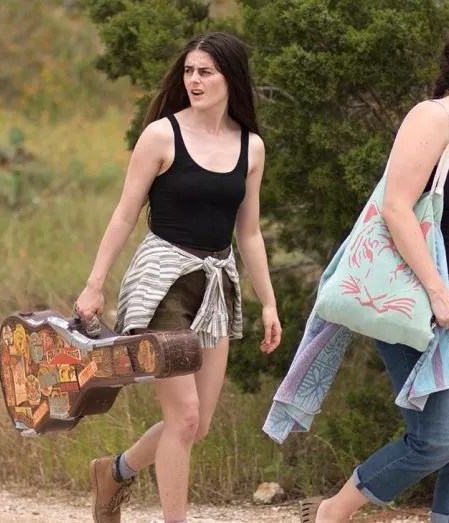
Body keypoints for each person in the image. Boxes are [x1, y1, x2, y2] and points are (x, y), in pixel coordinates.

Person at [299, 20, 449, 523]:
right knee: (437, 440)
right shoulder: (431, 118)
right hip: (422, 298)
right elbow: (396, 208)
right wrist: (438, 292)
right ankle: (333, 512)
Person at [73, 32, 283, 523]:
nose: (194, 80)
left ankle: (114, 472)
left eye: (205, 72)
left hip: (216, 285)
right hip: (161, 282)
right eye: (189, 71)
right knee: (183, 416)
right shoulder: (161, 136)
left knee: (197, 424)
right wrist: (94, 283)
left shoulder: (251, 147)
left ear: (230, 78)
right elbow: (125, 214)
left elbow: (249, 233)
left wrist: (269, 303)